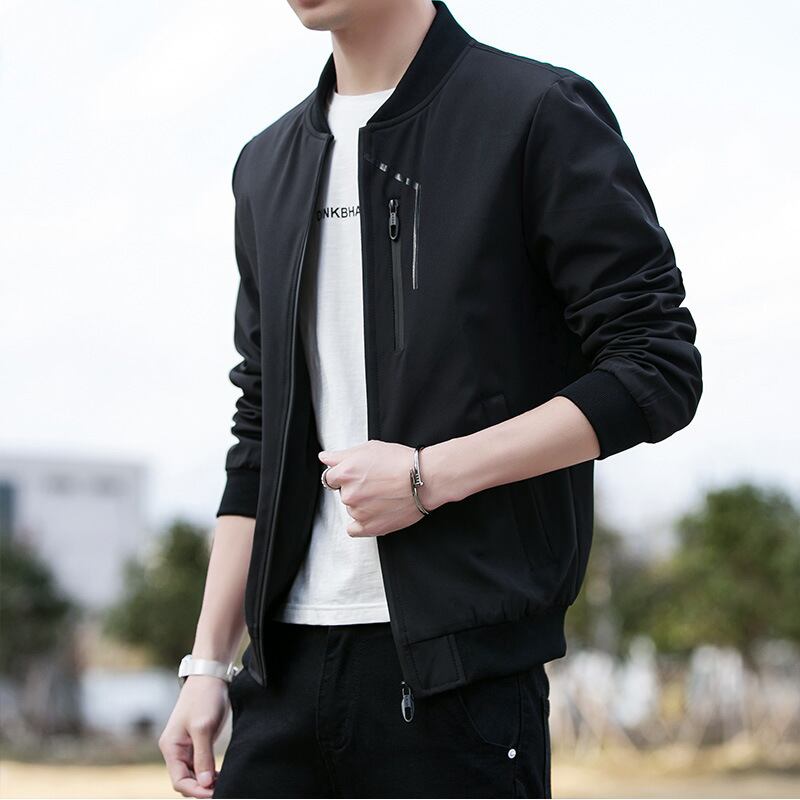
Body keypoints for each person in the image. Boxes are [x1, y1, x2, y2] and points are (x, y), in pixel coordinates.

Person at [158, 0, 703, 797]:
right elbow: (261, 428)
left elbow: (656, 365)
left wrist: (428, 476)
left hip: (462, 688)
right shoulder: (266, 163)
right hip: (281, 680)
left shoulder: (534, 114)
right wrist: (208, 662)